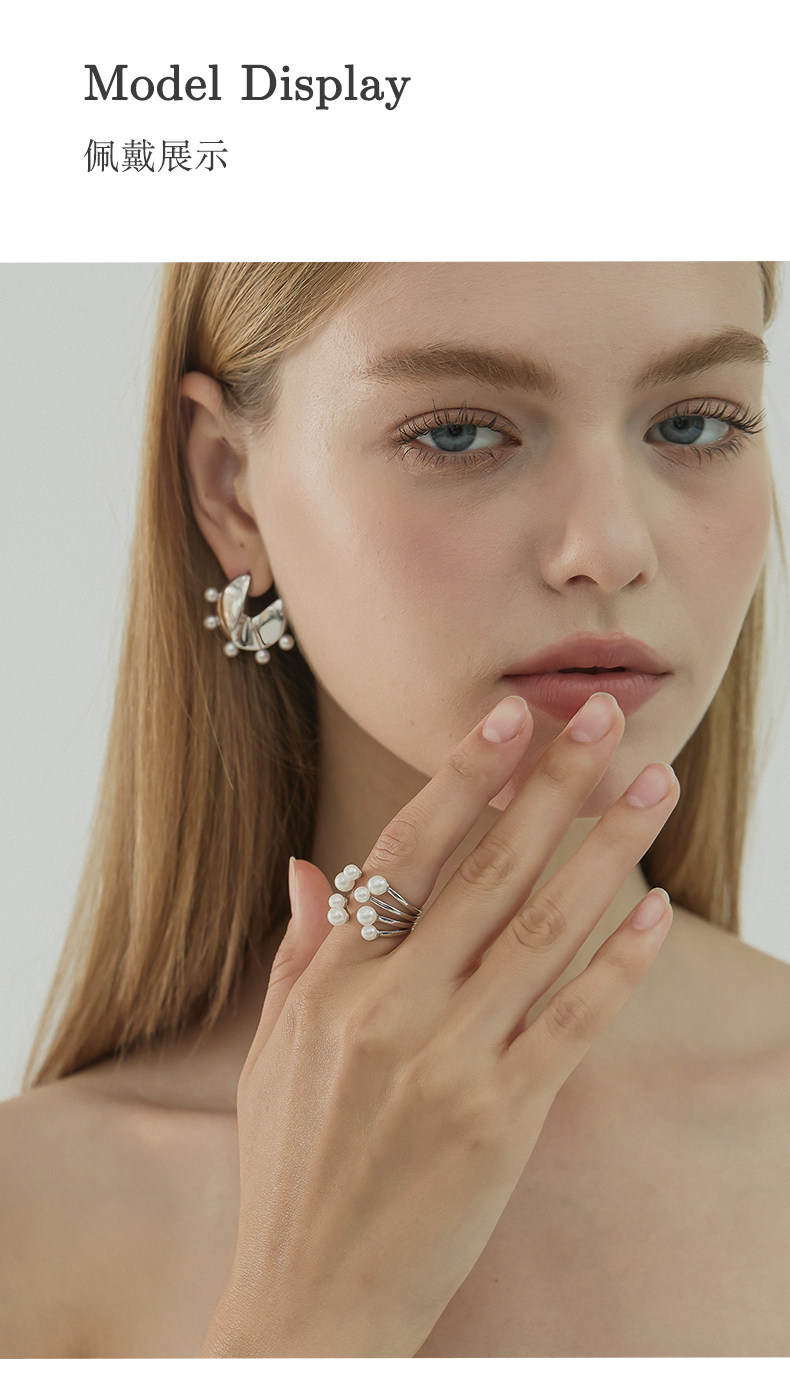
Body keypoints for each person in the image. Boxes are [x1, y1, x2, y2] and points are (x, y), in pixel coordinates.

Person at [1, 262, 788, 1359]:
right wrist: (308, 1317)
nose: (612, 548)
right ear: (229, 487)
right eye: (459, 435)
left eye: (694, 424)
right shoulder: (29, 1226)